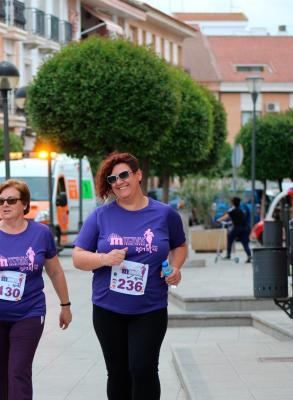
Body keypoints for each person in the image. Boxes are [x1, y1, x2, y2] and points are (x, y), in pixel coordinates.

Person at [72, 152, 187, 400]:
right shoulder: (101, 216)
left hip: (150, 307)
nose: (119, 182)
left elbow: (180, 245)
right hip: (108, 308)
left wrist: (175, 268)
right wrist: (104, 259)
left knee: (143, 369)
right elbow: (78, 256)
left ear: (138, 175)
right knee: (118, 373)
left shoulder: (165, 214)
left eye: (124, 175)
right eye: (113, 179)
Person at [0, 179, 72, 400]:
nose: (4, 205)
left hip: (29, 312)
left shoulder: (40, 233)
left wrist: (65, 305)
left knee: (18, 371)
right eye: (0, 200)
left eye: (11, 200)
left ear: (25, 204)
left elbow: (55, 272)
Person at [217, 196, 252, 263]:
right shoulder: (240, 210)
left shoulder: (232, 210)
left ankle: (228, 255)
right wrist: (230, 222)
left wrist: (218, 220)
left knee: (230, 238)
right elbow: (239, 219)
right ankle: (249, 256)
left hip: (238, 228)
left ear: (233, 202)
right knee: (245, 243)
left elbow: (226, 216)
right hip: (245, 228)